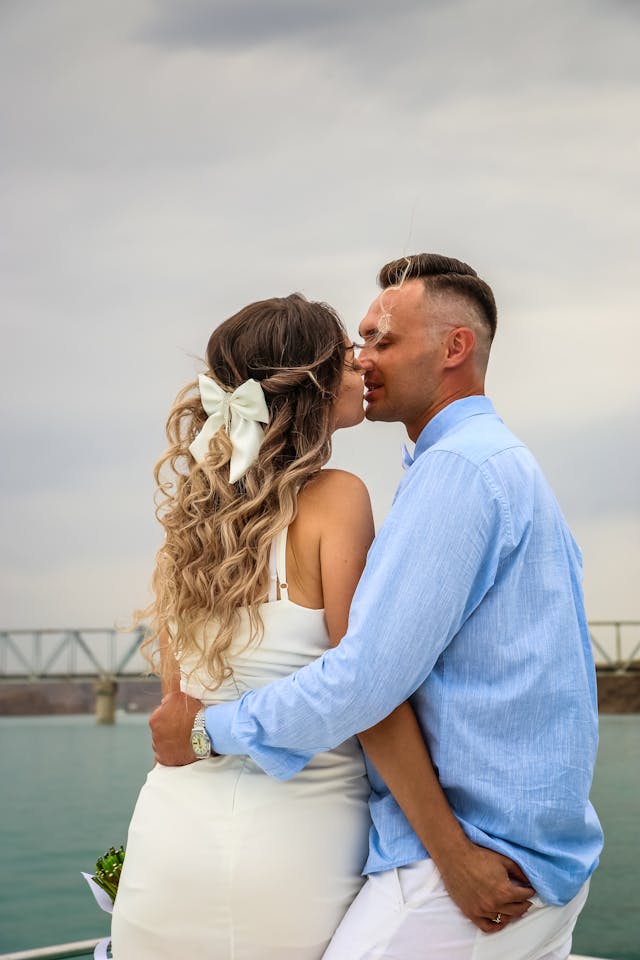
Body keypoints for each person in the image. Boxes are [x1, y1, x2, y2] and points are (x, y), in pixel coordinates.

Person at [151, 254, 604, 960]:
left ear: (454, 348)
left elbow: (365, 683)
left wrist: (209, 734)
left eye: (381, 340)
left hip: (473, 857)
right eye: (356, 344)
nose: (363, 360)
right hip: (440, 851)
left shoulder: (458, 471)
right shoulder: (445, 471)